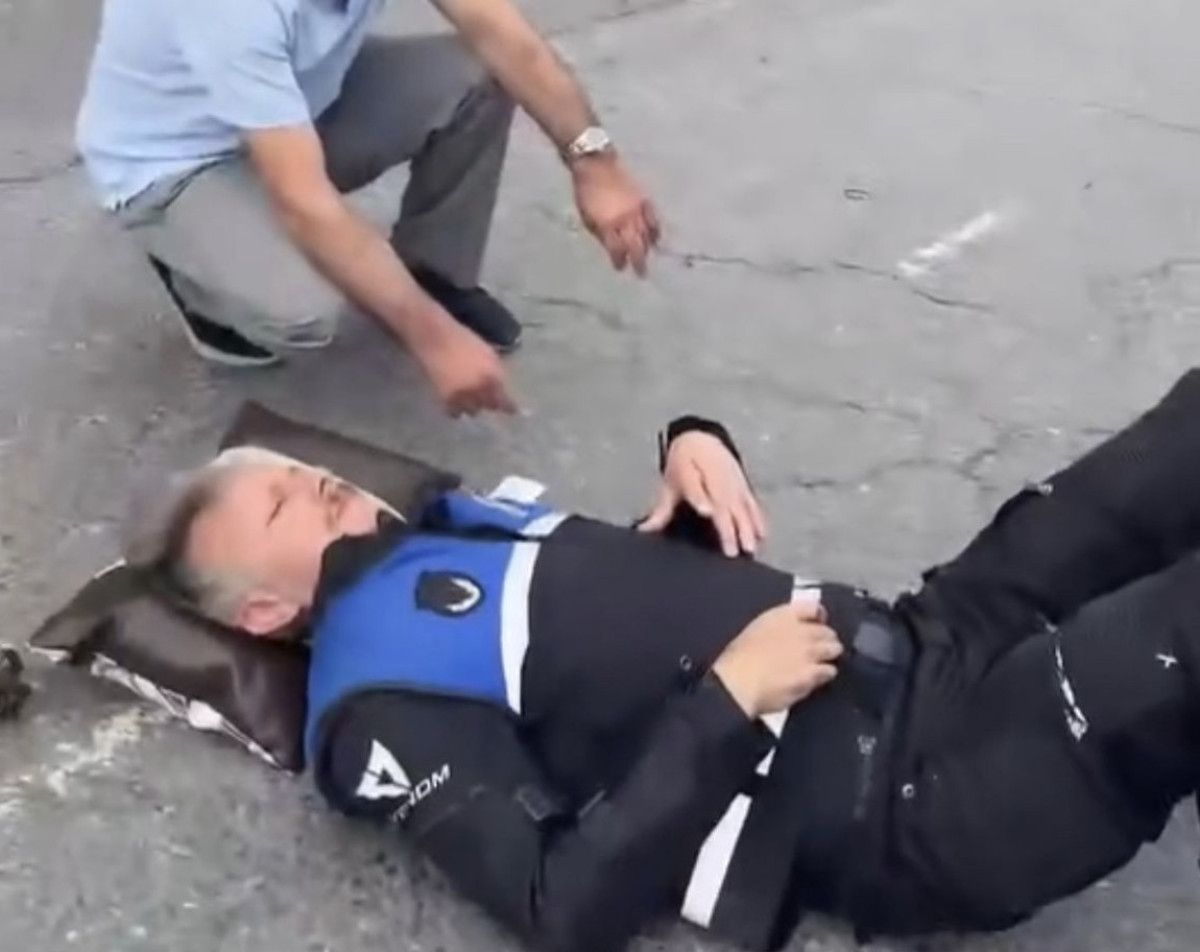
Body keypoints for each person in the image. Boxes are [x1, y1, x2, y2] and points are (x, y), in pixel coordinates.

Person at [126, 371, 1200, 952]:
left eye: (305, 473)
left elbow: (610, 657)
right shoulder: (374, 702)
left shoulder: (456, 529)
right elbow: (557, 907)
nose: (320, 486)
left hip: (933, 632)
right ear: (266, 609)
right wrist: (731, 699)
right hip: (919, 794)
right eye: (286, 506)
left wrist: (690, 452)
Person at [76, 0, 660, 416]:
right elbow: (306, 204)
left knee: (481, 76)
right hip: (179, 162)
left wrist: (596, 164)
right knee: (304, 312)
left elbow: (505, 38)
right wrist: (435, 342)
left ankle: (433, 275)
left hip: (295, 107)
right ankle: (195, 278)